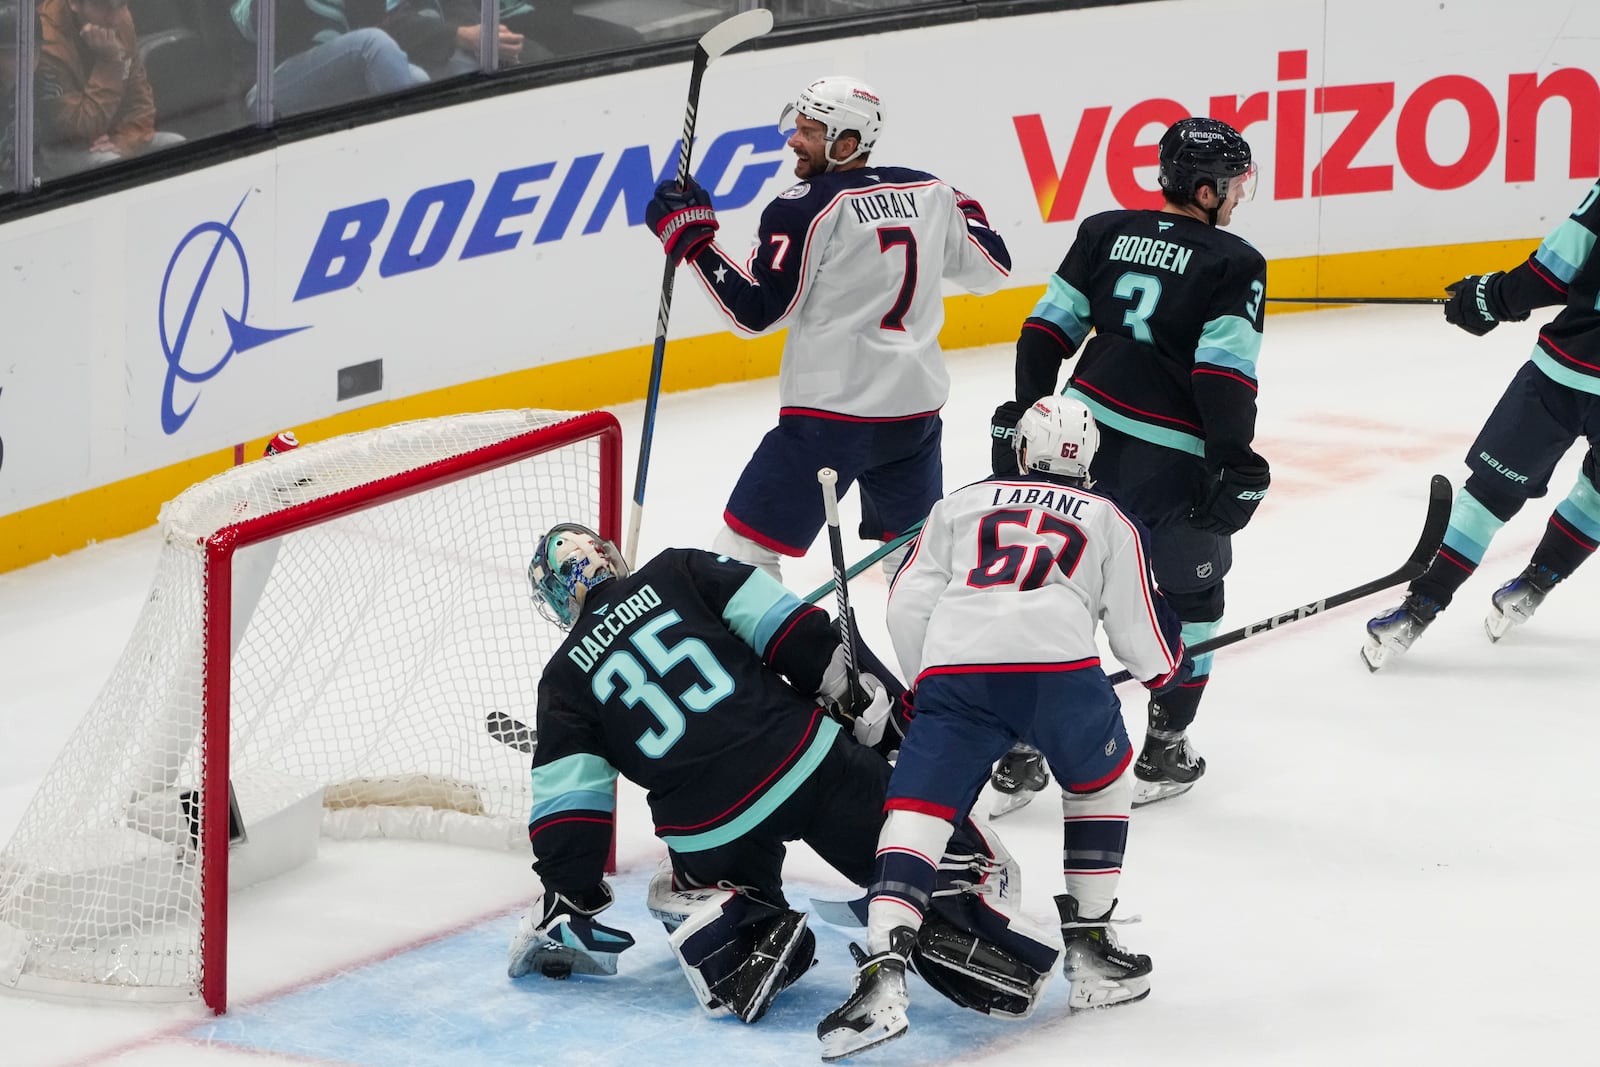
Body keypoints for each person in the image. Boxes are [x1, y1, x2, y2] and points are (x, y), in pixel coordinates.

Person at [508, 524, 1031, 1026]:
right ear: (609, 554)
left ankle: (741, 935)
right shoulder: (678, 568)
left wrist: (567, 890)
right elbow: (795, 632)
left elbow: (571, 809)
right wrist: (888, 716)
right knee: (907, 840)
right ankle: (955, 907)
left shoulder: (562, 681)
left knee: (674, 888)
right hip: (807, 760)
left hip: (709, 825)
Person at [818, 398, 1191, 1061]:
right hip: (1061, 674)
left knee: (917, 812)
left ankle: (881, 971)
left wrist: (926, 687)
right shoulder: (1109, 518)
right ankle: (1091, 947)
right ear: (1090, 458)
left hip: (958, 676)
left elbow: (907, 604)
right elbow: (1143, 637)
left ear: (1021, 450)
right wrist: (1165, 668)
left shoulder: (959, 505)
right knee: (1101, 780)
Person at [987, 116, 1266, 807]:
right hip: (1168, 465)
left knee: (1055, 587)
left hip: (1078, 443)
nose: (1237, 197)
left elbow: (1044, 330)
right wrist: (1234, 462)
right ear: (1204, 191)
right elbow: (1222, 376)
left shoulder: (1105, 229)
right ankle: (1165, 749)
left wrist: (1032, 415)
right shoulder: (1235, 262)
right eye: (1232, 185)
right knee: (1193, 598)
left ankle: (1021, 753)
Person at [644, 75, 1012, 583]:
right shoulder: (929, 191)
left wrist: (691, 241)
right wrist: (959, 204)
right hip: (914, 422)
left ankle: (767, 661)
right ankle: (941, 663)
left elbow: (757, 313)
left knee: (741, 552)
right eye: (797, 127)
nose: (794, 140)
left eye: (810, 132)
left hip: (830, 423)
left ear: (847, 144)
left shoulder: (804, 206)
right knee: (915, 570)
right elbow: (993, 271)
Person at [1362, 180, 1600, 669]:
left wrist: (1488, 298)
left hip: (1568, 373)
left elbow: (1554, 272)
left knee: (1490, 495)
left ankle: (1418, 608)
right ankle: (1534, 586)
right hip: (1569, 373)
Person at [34, 0, 185, 178]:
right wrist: (110, 61)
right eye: (103, 6)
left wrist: (124, 142)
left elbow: (141, 104)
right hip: (64, 147)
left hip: (115, 133)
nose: (114, 20)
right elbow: (80, 129)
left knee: (178, 146)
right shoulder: (48, 40)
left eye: (121, 5)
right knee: (112, 166)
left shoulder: (120, 20)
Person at [230, 0, 429, 118]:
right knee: (375, 45)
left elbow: (371, 18)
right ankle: (404, 152)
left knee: (419, 78)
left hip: (335, 72)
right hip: (267, 89)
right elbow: (258, 24)